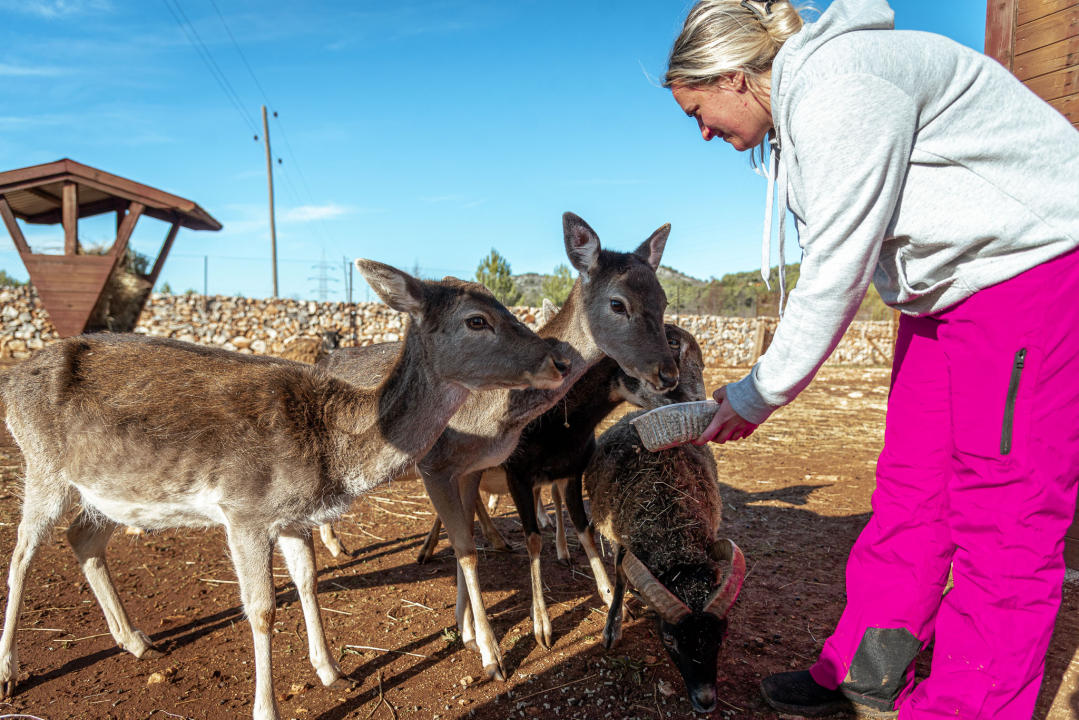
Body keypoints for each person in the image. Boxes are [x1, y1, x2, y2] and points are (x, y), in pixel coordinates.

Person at [665, 0, 1079, 717]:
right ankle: (864, 669)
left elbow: (835, 268)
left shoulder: (841, 85)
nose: (702, 132)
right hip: (941, 294)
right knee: (910, 485)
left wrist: (756, 394)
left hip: (1025, 272)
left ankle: (966, 703)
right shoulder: (805, 110)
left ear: (734, 78)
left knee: (1003, 507)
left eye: (697, 110)